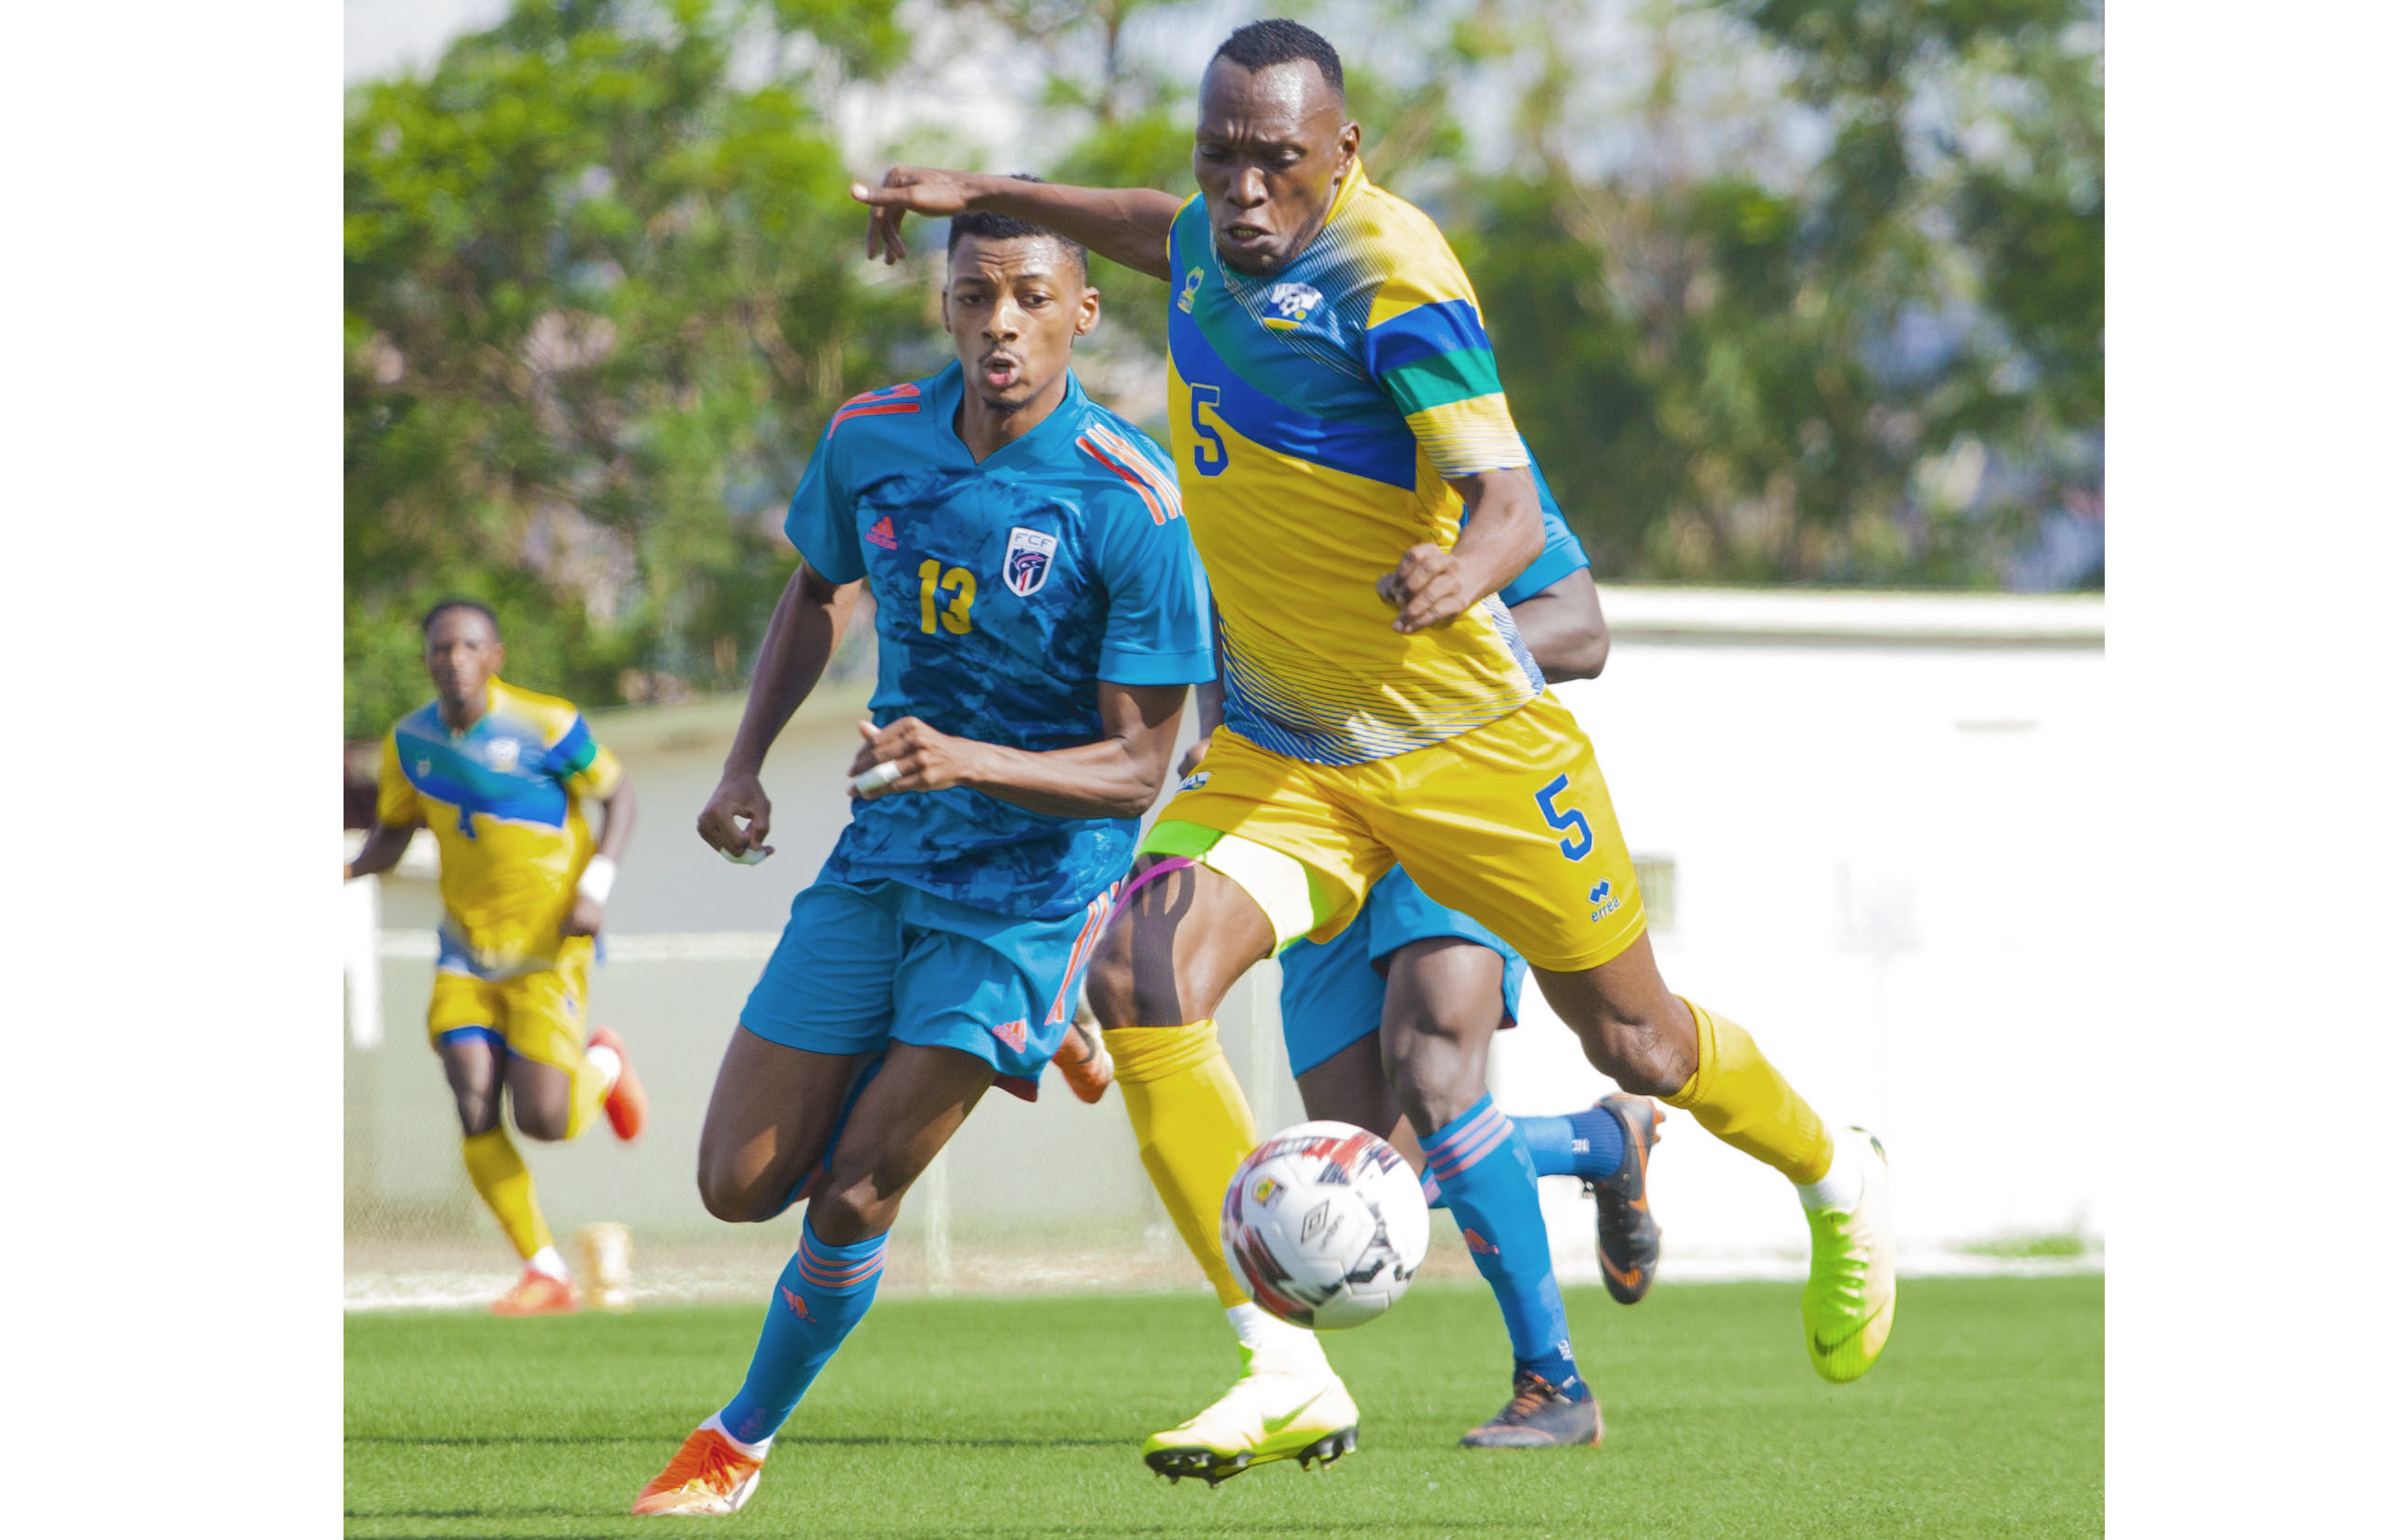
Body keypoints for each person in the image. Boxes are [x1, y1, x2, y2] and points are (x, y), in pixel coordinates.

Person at [852, 17, 1898, 1481]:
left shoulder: (1395, 277)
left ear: (1343, 152)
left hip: (1467, 744)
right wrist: (991, 191)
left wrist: (1464, 572)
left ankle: (1833, 1171)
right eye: (1222, 160)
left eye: (1276, 163)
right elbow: (1157, 229)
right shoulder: (1218, 232)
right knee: (1141, 974)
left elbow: (1515, 509)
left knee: (1639, 1040)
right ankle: (1282, 1364)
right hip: (1291, 754)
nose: (1244, 195)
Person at [629, 201, 1214, 1517]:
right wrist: (740, 763)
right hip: (882, 856)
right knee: (737, 1184)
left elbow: (1138, 767)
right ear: (944, 304)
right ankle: (1033, 1032)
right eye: (971, 296)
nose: (997, 322)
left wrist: (969, 757)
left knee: (851, 1188)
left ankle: (736, 1436)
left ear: (1083, 309)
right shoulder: (868, 437)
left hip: (1032, 888)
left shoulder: (1129, 497)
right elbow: (815, 587)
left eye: (1025, 295)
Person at [344, 600, 649, 1315]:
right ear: (426, 661)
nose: (453, 658)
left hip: (548, 950)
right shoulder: (408, 742)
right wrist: (349, 868)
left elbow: (621, 795)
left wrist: (595, 887)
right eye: (440, 648)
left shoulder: (548, 724)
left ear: (495, 656)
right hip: (465, 952)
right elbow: (391, 834)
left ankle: (604, 1062)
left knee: (545, 1119)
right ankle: (544, 1270)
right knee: (472, 1095)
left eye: (468, 645)